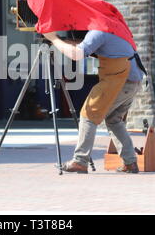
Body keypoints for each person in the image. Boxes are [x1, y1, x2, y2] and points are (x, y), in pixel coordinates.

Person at [42, 30, 145, 174]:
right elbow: (85, 46)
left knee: (88, 115)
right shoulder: (111, 30)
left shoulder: (97, 32)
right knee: (114, 120)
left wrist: (53, 39)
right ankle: (130, 162)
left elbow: (77, 54)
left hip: (119, 81)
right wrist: (61, 40)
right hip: (133, 81)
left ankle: (79, 161)